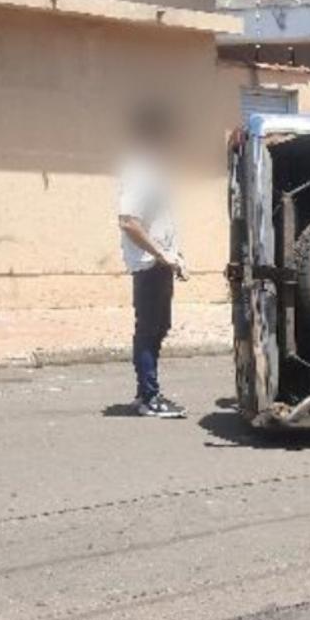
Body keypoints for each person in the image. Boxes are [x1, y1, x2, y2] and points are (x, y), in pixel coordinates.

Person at [118, 103, 188, 418]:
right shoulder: (139, 170)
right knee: (148, 329)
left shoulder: (153, 169)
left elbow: (160, 221)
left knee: (159, 327)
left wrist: (175, 255)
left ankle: (145, 393)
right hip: (149, 264)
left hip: (161, 262)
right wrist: (161, 255)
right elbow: (128, 222)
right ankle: (149, 397)